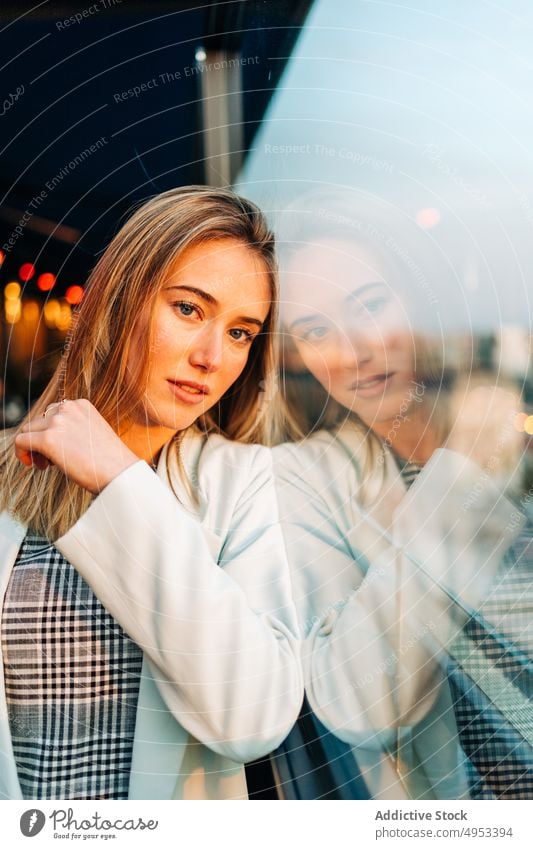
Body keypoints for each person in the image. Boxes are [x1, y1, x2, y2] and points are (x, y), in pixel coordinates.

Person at [0, 185, 303, 801]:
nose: (212, 357)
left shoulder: (244, 485)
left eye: (242, 332)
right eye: (189, 309)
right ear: (119, 298)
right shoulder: (10, 467)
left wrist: (120, 481)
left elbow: (255, 718)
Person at [272, 191, 529, 799]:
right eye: (314, 330)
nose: (352, 350)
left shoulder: (510, 410)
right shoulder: (313, 480)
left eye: (370, 306)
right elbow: (363, 703)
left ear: (420, 299)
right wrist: (464, 471)